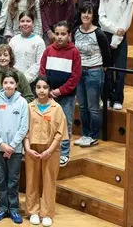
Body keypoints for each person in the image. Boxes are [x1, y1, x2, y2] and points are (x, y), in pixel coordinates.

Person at [25, 77, 68, 227]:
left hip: (51, 150)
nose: (41, 90)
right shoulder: (29, 107)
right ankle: (33, 211)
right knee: (32, 181)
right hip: (32, 150)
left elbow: (60, 132)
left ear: (50, 89)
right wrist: (28, 149)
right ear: (34, 89)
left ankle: (47, 213)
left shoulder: (57, 109)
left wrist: (50, 150)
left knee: (49, 181)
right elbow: (25, 131)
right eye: (38, 87)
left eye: (45, 87)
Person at [0, 71, 29, 224]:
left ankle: (14, 209)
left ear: (16, 84)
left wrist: (11, 146)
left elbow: (24, 127)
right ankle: (3, 208)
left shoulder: (22, 102)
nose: (8, 85)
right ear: (2, 84)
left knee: (13, 180)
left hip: (15, 150)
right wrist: (2, 144)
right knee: (1, 180)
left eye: (12, 83)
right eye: (6, 83)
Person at [39, 21, 82, 167]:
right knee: (48, 122)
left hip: (66, 97)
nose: (59, 37)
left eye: (63, 34)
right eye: (57, 34)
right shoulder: (48, 50)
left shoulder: (74, 52)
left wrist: (59, 91)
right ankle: (50, 149)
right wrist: (48, 90)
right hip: (49, 95)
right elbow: (42, 71)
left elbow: (75, 77)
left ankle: (64, 153)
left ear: (69, 35)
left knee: (64, 124)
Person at [73, 4, 111, 148]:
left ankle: (93, 136)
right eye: (84, 13)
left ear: (92, 16)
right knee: (82, 106)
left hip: (94, 72)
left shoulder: (99, 33)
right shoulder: (76, 31)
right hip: (79, 72)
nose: (86, 16)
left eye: (89, 13)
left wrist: (103, 69)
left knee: (93, 107)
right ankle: (85, 134)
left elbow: (106, 54)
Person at [99, 0, 133, 111]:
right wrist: (114, 30)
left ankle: (118, 98)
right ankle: (106, 97)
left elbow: (125, 22)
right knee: (106, 69)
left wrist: (116, 40)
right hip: (106, 35)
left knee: (120, 70)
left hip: (119, 38)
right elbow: (102, 18)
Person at [9, 12, 47, 84]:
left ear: (33, 24)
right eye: (22, 21)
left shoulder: (39, 41)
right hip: (14, 80)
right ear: (19, 24)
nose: (25, 24)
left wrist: (27, 78)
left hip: (31, 81)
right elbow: (10, 60)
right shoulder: (13, 40)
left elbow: (40, 62)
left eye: (28, 21)